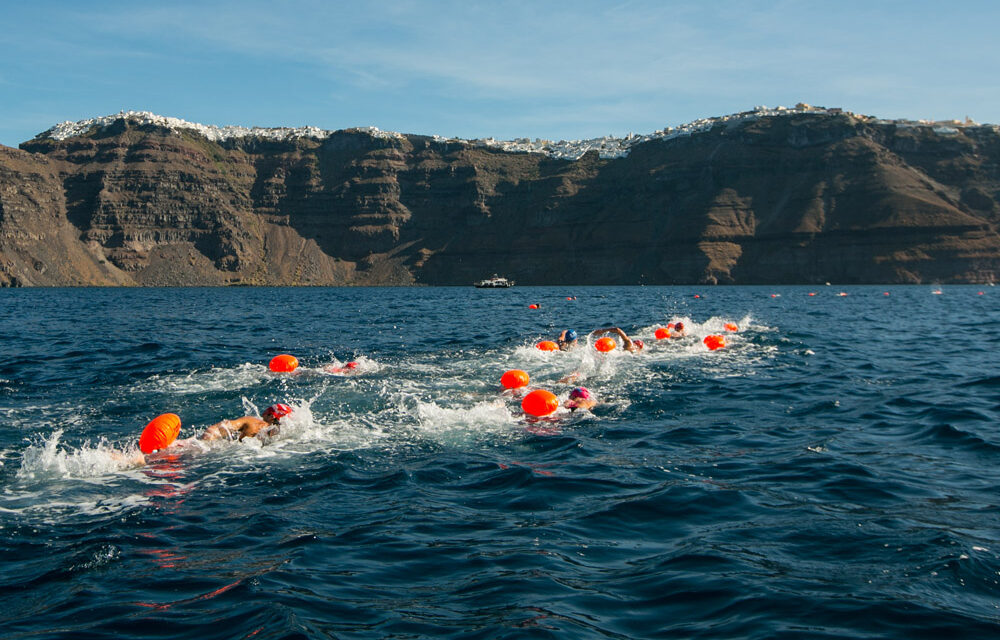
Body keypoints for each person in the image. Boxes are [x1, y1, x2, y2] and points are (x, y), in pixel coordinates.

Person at [200, 403, 292, 442]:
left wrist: (205, 440)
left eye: (267, 411)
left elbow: (220, 428)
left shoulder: (251, 421)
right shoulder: (278, 436)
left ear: (271, 416)